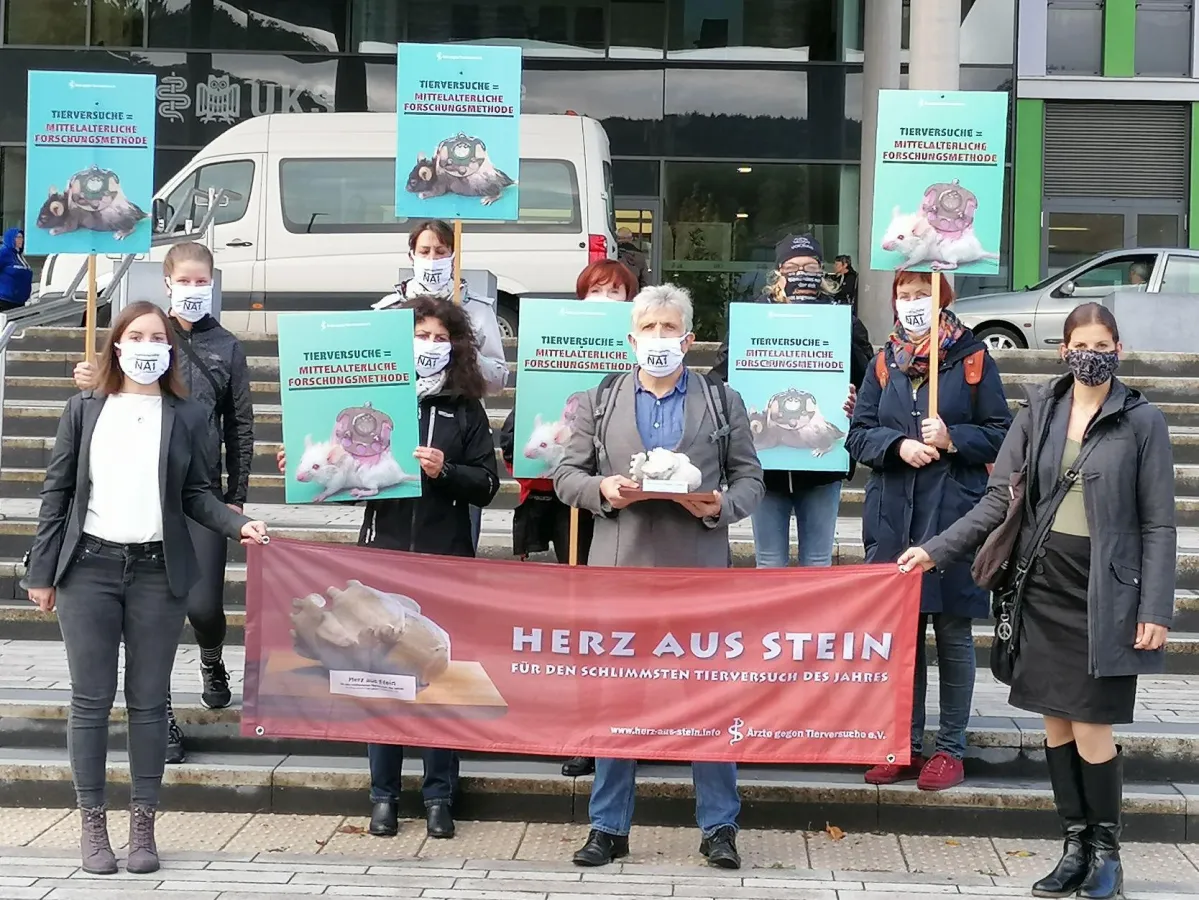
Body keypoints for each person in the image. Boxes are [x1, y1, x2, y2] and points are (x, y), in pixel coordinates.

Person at [898, 303, 1176, 900]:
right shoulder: (1040, 411)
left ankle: (1107, 855)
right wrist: (935, 550)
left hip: (1107, 594)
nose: (1092, 354)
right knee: (1055, 725)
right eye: (1082, 343)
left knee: (1092, 726)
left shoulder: (1142, 420)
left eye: (1104, 344)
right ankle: (1073, 845)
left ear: (1118, 350)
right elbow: (1000, 502)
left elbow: (1159, 524)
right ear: (1063, 349)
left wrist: (1155, 608)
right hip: (1042, 586)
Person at [22, 301, 267, 876]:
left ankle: (142, 824)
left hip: (159, 573)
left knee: (149, 700)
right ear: (116, 344)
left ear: (171, 349)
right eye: (136, 335)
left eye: (158, 337)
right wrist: (41, 573)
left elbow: (198, 494)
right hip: (88, 570)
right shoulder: (85, 408)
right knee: (90, 698)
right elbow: (57, 493)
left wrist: (238, 523)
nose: (148, 344)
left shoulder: (183, 416)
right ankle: (91, 823)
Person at [554, 283, 765, 869]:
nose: (659, 340)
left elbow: (752, 480)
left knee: (709, 699)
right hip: (620, 575)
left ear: (688, 339)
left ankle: (719, 826)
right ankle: (608, 826)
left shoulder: (723, 401)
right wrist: (602, 490)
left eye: (669, 329)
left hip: (698, 574)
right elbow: (567, 475)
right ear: (631, 339)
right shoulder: (600, 398)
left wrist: (719, 505)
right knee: (616, 698)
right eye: (649, 329)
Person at [277, 295, 499, 841]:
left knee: (436, 674)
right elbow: (346, 479)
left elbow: (488, 485)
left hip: (446, 560)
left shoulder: (464, 408)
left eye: (439, 337)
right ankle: (383, 795)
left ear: (455, 346)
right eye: (420, 336)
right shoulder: (373, 401)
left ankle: (440, 794)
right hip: (383, 554)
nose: (429, 346)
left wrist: (447, 470)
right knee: (377, 673)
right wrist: (300, 467)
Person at [72, 242, 254, 766]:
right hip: (144, 498)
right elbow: (109, 393)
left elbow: (240, 425)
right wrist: (90, 382)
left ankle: (213, 657)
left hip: (201, 495)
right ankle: (164, 714)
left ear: (213, 284)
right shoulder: (147, 338)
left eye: (204, 282)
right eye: (185, 281)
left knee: (203, 607)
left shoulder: (228, 346)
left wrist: (236, 498)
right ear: (168, 282)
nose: (194, 290)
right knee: (156, 619)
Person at [846, 271, 1011, 792]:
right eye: (905, 295)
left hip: (953, 516)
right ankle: (902, 741)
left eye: (923, 294)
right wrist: (898, 447)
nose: (912, 303)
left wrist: (952, 438)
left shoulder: (973, 358)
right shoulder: (883, 360)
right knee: (903, 635)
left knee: (954, 632)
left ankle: (951, 748)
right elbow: (858, 434)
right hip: (896, 515)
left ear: (943, 299)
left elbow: (1003, 435)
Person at [502, 258, 638, 780]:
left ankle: (631, 727)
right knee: (583, 623)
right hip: (569, 510)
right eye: (596, 289)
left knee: (623, 627)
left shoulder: (646, 359)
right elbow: (517, 437)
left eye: (616, 291)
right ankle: (586, 731)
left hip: (631, 512)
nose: (605, 297)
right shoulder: (549, 351)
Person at [711, 235, 873, 570]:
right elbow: (719, 375)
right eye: (793, 267)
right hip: (765, 466)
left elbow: (868, 376)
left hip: (821, 467)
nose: (802, 273)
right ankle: (771, 625)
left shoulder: (842, 318)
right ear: (778, 273)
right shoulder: (753, 320)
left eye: (810, 267)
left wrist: (855, 395)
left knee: (818, 561)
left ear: (823, 272)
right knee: (769, 562)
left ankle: (814, 626)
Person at [375, 219, 507, 550]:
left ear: (452, 254)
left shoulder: (476, 306)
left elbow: (497, 380)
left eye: (440, 251)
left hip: (456, 416)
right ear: (412, 254)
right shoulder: (389, 309)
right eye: (425, 251)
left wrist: (461, 354)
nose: (432, 258)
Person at [0, 227, 33, 312]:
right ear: (10, 238)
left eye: (22, 237)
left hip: (19, 302)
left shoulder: (19, 256)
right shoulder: (4, 253)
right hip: (5, 301)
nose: (21, 240)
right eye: (18, 237)